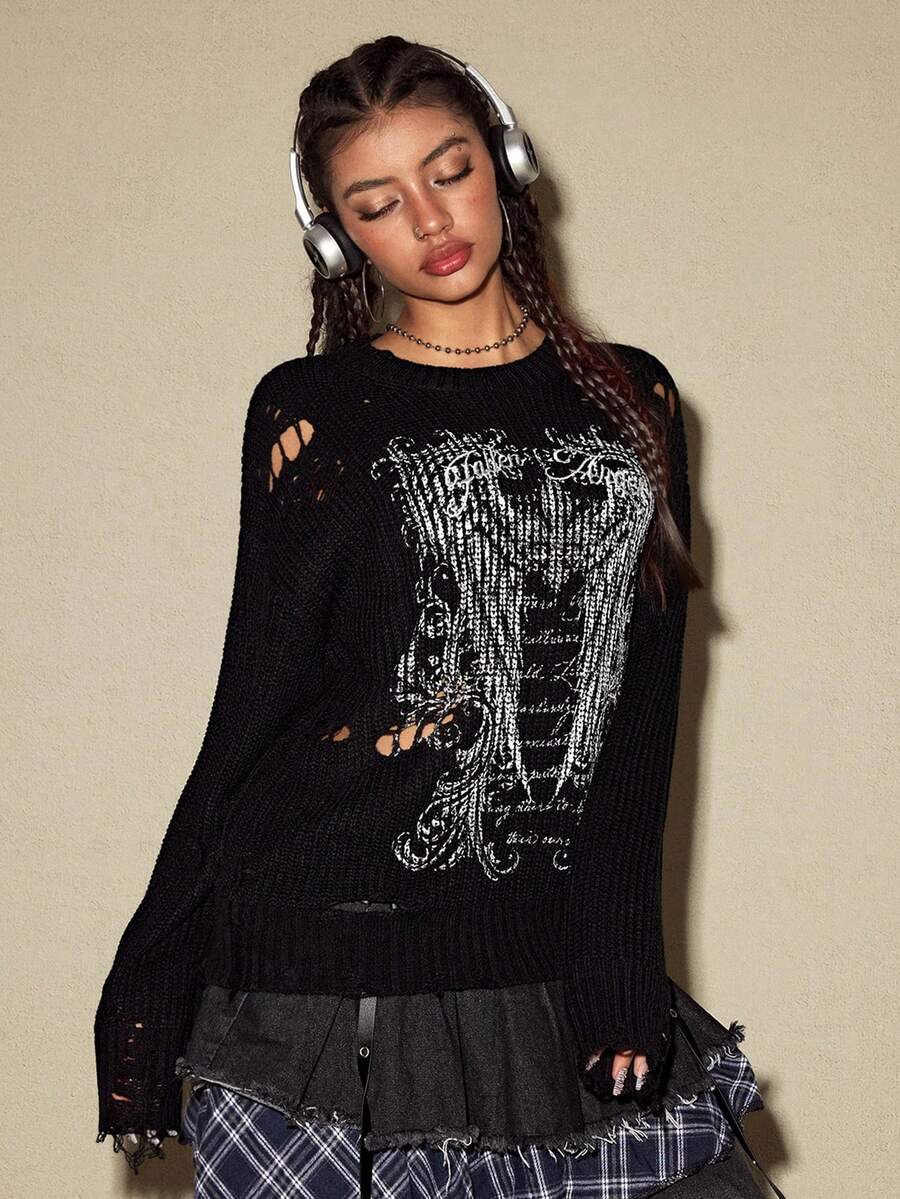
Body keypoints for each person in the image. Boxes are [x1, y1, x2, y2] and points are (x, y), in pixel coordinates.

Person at [94, 36, 781, 1199]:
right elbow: (254, 708)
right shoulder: (313, 412)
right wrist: (153, 960)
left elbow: (640, 710)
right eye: (378, 203)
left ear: (504, 163)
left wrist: (623, 955)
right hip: (325, 983)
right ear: (337, 237)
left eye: (449, 171)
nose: (429, 219)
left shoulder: (634, 397)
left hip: (542, 958)